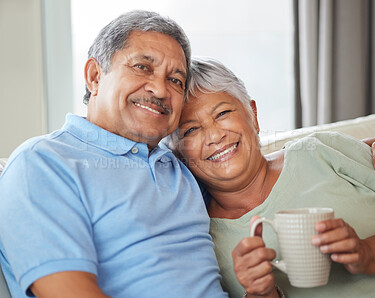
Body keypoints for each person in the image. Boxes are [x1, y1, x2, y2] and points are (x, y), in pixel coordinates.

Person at [0, 11, 228, 298]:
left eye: (175, 80)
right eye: (143, 67)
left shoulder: (183, 166)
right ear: (95, 77)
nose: (159, 89)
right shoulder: (42, 162)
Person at [167, 57, 375, 298]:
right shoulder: (199, 242)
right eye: (191, 130)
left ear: (253, 115)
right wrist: (261, 294)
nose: (214, 136)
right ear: (177, 153)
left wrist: (368, 254)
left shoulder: (323, 152)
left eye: (223, 113)